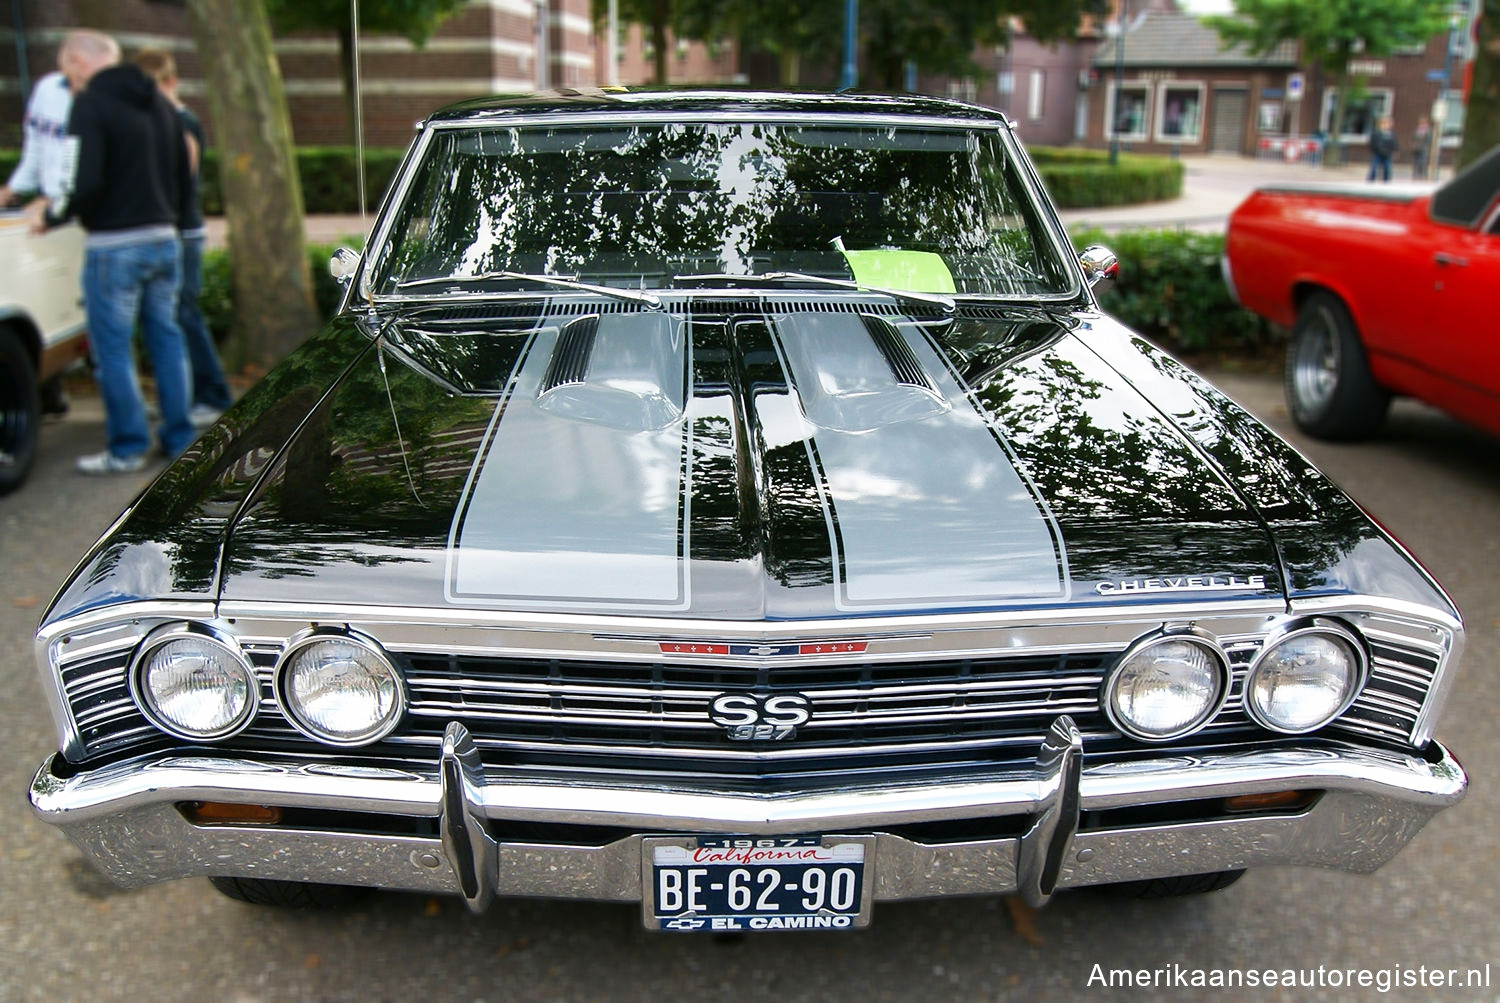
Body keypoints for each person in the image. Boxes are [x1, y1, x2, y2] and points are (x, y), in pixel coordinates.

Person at [25, 30, 194, 474]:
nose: (68, 82)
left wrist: (52, 215)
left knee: (113, 349)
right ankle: (180, 441)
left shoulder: (91, 104)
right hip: (164, 238)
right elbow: (182, 174)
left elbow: (84, 181)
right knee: (167, 340)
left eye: (67, 73)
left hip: (113, 246)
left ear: (81, 62)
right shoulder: (158, 101)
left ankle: (127, 448)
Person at [135, 47, 232, 428]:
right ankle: (186, 394)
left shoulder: (182, 123)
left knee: (185, 313)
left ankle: (213, 394)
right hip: (170, 232)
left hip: (182, 233)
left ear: (170, 83)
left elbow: (180, 180)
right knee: (169, 316)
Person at [4, 66, 77, 416]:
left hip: (70, 209)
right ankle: (50, 390)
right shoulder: (47, 86)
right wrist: (13, 189)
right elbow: (36, 149)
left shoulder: (97, 96)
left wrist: (57, 203)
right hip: (50, 203)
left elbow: (85, 162)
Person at [1367, 116, 1397, 183]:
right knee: (1374, 167)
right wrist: (1374, 150)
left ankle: (1386, 181)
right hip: (1378, 153)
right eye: (1384, 123)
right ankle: (1370, 180)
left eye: (1387, 124)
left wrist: (1394, 151)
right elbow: (1372, 142)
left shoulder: (1391, 134)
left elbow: (1394, 144)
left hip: (1387, 154)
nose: (1385, 125)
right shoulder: (1376, 133)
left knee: (1387, 168)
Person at [1412, 116, 1432, 180]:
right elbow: (1413, 139)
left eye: (1424, 123)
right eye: (1421, 123)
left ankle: (1422, 176)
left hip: (1424, 149)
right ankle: (1415, 175)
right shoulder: (1417, 131)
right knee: (1416, 163)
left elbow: (1429, 140)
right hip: (1416, 149)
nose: (1422, 125)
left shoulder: (1428, 131)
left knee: (1422, 163)